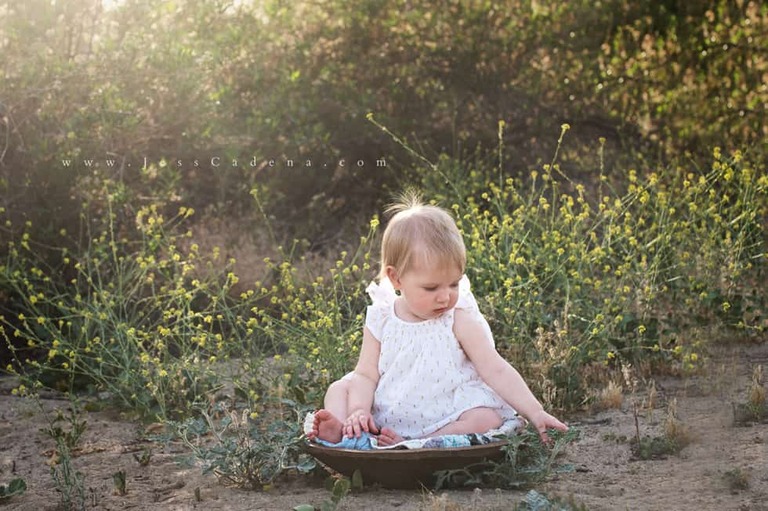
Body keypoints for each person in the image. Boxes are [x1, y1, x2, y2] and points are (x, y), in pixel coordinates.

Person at [307, 192, 567, 447]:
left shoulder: (458, 319)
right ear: (396, 279)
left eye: (454, 284)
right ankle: (347, 428)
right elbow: (365, 374)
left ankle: (422, 442)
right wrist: (359, 410)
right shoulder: (382, 317)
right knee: (339, 389)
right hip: (388, 409)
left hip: (446, 411)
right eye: (431, 288)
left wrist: (535, 411)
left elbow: (495, 368)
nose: (445, 297)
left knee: (485, 417)